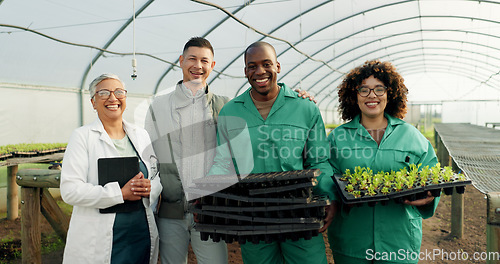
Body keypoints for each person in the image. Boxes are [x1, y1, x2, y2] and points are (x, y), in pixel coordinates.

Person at [144, 37, 316, 264]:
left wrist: (298, 97)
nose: (198, 65)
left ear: (212, 65)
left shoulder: (227, 106)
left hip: (211, 209)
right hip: (171, 209)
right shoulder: (159, 106)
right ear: (181, 61)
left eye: (204, 60)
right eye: (192, 59)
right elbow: (149, 156)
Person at [207, 41, 336, 264]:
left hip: (300, 213)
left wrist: (330, 197)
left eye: (266, 64)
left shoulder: (305, 108)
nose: (260, 71)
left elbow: (319, 161)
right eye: (252, 66)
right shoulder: (231, 111)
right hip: (252, 217)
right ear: (245, 71)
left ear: (277, 66)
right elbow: (223, 162)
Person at [327, 60, 439, 264]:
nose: (372, 95)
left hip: (399, 241)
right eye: (364, 90)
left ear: (390, 94)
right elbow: (326, 181)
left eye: (379, 89)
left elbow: (432, 176)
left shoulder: (412, 136)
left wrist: (430, 197)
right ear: (355, 95)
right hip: (351, 241)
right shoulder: (337, 138)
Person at [60, 73, 161, 264]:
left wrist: (151, 188)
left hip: (140, 233)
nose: (113, 98)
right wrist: (120, 194)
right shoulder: (82, 136)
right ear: (93, 102)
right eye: (104, 93)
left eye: (119, 92)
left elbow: (156, 177)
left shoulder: (141, 135)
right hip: (100, 238)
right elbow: (70, 191)